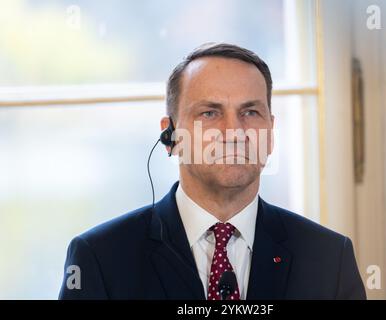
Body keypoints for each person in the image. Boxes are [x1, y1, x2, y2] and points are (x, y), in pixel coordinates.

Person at [59, 43, 366, 300]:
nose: (233, 131)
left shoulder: (330, 258)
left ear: (270, 134)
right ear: (171, 136)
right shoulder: (100, 258)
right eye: (209, 113)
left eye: (250, 112)